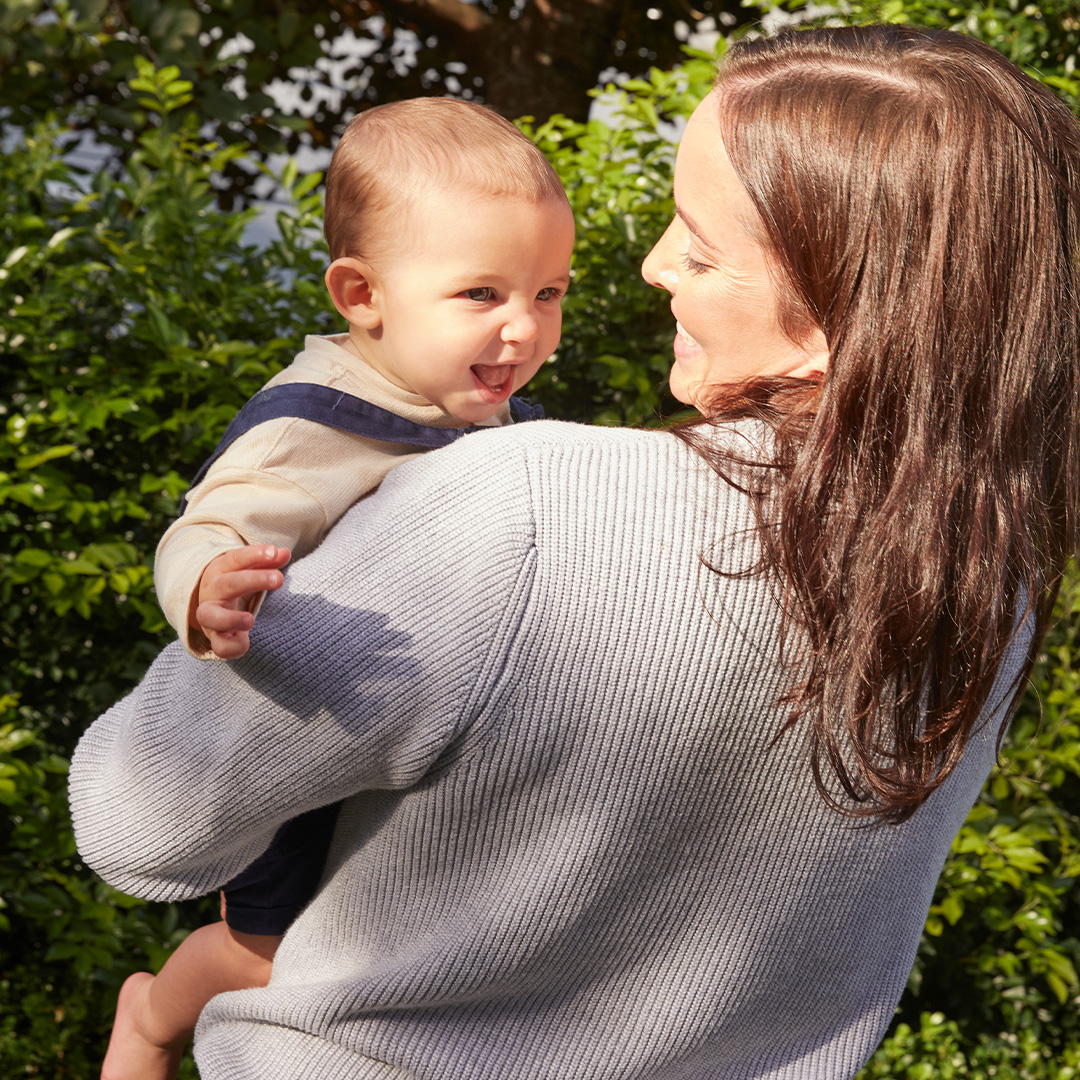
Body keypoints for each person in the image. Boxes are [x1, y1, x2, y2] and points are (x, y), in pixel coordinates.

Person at [70, 24, 1080, 1080]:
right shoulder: (983, 578)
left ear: (830, 323)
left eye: (697, 244)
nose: (650, 268)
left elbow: (140, 823)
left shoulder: (522, 510)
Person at [98, 96, 574, 1080]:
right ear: (363, 296)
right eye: (481, 294)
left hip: (409, 733)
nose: (522, 329)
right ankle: (150, 1017)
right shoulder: (313, 424)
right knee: (266, 958)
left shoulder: (482, 404)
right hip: (293, 737)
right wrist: (208, 591)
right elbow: (207, 527)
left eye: (550, 293)